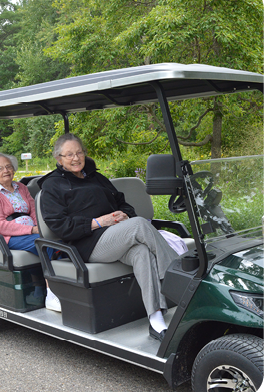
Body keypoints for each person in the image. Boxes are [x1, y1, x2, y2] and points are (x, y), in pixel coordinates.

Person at [38, 133, 181, 342]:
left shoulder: (96, 177)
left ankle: (156, 318)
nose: (75, 158)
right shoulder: (52, 186)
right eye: (69, 155)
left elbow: (122, 203)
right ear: (59, 159)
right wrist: (98, 222)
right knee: (140, 225)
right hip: (87, 244)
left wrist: (125, 215)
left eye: (79, 152)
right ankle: (178, 277)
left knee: (142, 253)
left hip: (115, 236)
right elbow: (60, 226)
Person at [0, 153, 61, 312]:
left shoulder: (22, 187)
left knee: (59, 239)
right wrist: (31, 230)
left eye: (9, 166)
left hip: (32, 232)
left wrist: (41, 228)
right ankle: (52, 294)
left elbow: (34, 212)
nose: (6, 170)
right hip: (7, 237)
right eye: (0, 168)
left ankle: (61, 289)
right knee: (45, 244)